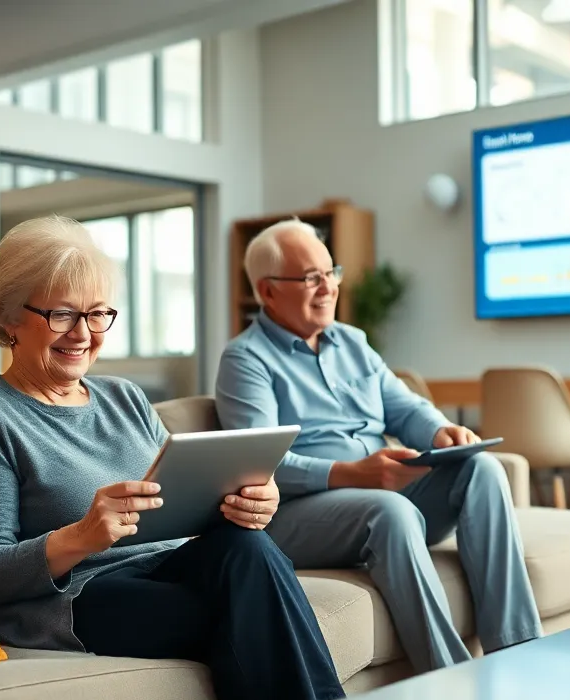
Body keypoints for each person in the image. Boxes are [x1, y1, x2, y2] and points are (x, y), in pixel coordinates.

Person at [0, 215, 344, 700]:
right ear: (11, 316)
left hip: (174, 563)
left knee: (249, 548)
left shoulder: (125, 398)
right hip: (85, 595)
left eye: (96, 314)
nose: (83, 333)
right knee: (247, 610)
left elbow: (188, 498)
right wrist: (80, 537)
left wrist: (254, 501)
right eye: (62, 313)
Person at [214, 218, 544, 674]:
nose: (327, 287)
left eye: (332, 272)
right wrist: (353, 474)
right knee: (391, 510)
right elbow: (258, 465)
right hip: (299, 513)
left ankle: (517, 655)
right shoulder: (245, 359)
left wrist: (440, 432)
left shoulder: (352, 341)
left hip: (381, 492)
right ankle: (451, 678)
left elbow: (403, 408)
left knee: (483, 469)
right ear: (268, 292)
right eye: (311, 277)